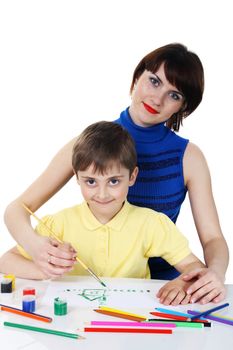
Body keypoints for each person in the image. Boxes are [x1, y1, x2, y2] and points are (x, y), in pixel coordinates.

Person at [4, 43, 228, 304]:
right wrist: (36, 248)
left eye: (174, 95)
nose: (158, 99)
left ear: (183, 107)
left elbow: (213, 238)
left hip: (167, 289)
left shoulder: (190, 157)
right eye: (154, 82)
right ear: (136, 79)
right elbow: (17, 209)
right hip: (97, 283)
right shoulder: (90, 144)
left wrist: (212, 274)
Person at [0, 121, 208, 306]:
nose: (102, 194)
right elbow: (5, 261)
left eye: (114, 181)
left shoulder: (152, 224)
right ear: (77, 177)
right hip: (72, 322)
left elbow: (194, 265)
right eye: (91, 181)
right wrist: (45, 269)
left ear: (132, 176)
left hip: (129, 322)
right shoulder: (58, 224)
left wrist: (182, 282)